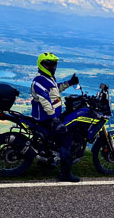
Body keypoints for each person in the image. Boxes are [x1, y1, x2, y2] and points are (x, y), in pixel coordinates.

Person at [31, 52, 80, 182]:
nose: (53, 66)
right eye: (49, 64)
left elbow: (56, 89)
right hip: (46, 119)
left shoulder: (48, 79)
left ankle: (47, 161)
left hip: (50, 117)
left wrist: (70, 82)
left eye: (54, 64)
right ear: (42, 65)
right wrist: (54, 118)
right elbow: (45, 101)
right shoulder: (39, 80)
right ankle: (65, 174)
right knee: (66, 139)